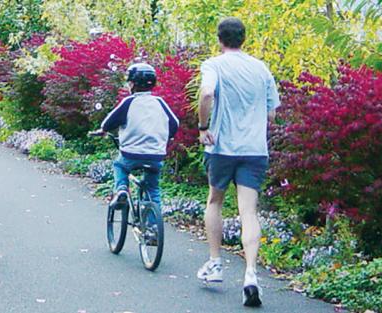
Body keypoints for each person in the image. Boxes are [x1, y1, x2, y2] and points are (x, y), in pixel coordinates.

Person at [193, 17, 280, 308]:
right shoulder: (261, 68)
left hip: (221, 147)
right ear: (244, 38)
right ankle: (251, 274)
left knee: (215, 201)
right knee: (249, 211)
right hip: (254, 149)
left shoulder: (214, 65)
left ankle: (215, 264)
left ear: (220, 39)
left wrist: (203, 126)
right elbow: (272, 114)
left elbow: (206, 92)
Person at [93, 63, 180, 217]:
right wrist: (168, 137)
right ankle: (153, 231)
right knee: (153, 189)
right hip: (156, 155)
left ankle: (121, 190)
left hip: (130, 154)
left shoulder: (129, 102)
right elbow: (174, 124)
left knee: (119, 165)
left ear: (131, 84)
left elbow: (108, 123)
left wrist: (103, 131)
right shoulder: (160, 102)